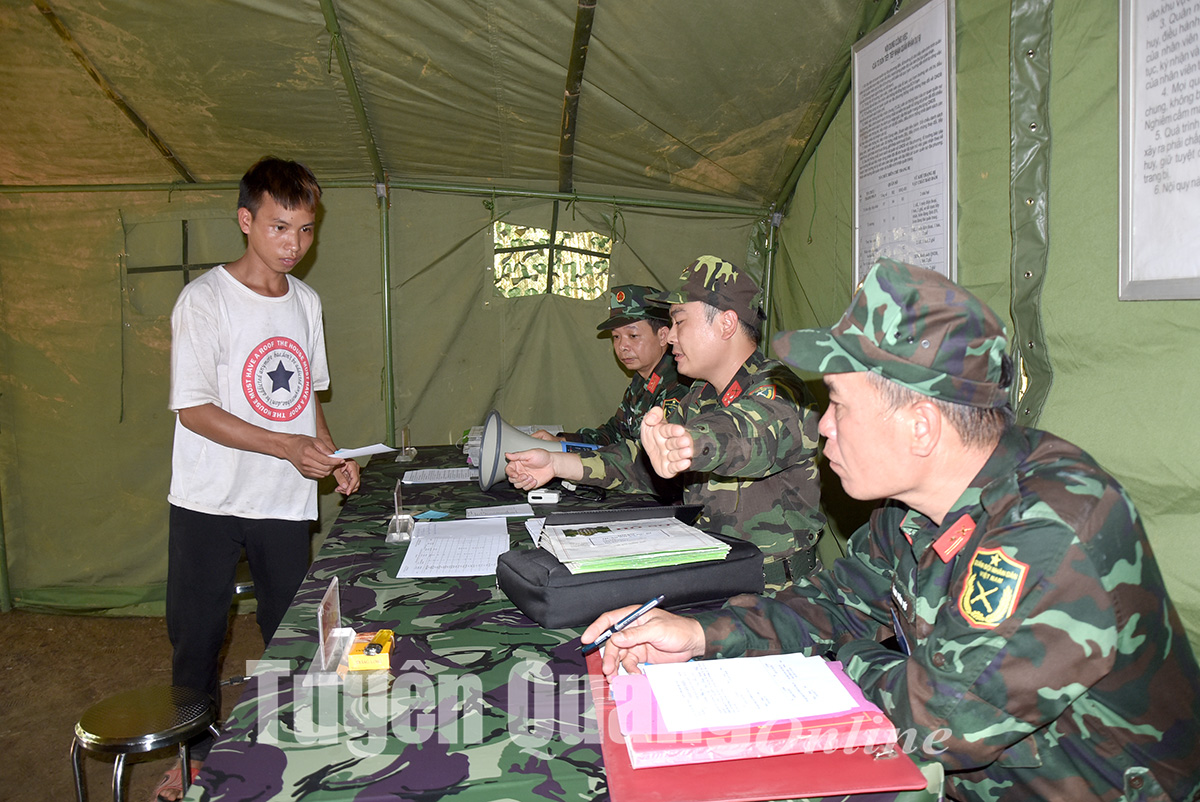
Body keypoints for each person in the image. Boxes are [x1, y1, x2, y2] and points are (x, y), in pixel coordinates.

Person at [582, 260, 1200, 802]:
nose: (823, 427)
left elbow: (943, 719)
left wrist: (832, 664)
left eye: (839, 404)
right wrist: (699, 635)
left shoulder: (1050, 525)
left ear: (920, 427)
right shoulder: (910, 509)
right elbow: (832, 603)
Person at [159, 157, 360, 801]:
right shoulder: (205, 300)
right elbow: (194, 410)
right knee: (197, 635)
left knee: (291, 628)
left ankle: (288, 742)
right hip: (209, 499)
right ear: (245, 221)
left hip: (282, 499)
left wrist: (330, 451)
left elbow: (306, 395)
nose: (294, 244)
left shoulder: (306, 302)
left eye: (305, 229)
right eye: (279, 227)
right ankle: (191, 756)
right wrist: (288, 445)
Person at [507, 255, 826, 583]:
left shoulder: (781, 389)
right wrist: (556, 463)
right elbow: (639, 463)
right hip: (716, 579)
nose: (670, 336)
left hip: (779, 594)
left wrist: (688, 443)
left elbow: (748, 434)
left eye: (680, 321)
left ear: (726, 324)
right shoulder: (701, 395)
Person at [532, 283, 689, 446]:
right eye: (616, 337)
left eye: (633, 335)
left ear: (663, 336)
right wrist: (562, 441)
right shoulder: (641, 382)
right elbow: (615, 432)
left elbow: (645, 454)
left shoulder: (678, 386)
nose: (622, 346)